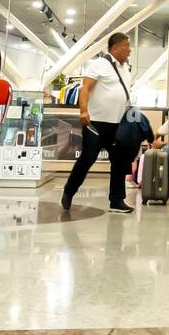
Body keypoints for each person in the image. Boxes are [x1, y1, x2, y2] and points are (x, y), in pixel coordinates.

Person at [60, 32, 137, 214]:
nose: (129, 50)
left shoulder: (125, 68)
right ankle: (69, 191)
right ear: (115, 47)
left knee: (119, 161)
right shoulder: (99, 64)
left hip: (118, 124)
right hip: (96, 123)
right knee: (88, 158)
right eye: (126, 45)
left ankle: (117, 200)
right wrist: (83, 111)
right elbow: (85, 89)